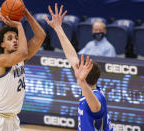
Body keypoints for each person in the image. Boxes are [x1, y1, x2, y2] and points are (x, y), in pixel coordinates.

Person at [45, 3, 113, 131]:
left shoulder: (95, 97)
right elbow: (71, 55)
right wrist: (58, 28)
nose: (75, 68)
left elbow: (96, 107)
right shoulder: (91, 89)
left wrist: (81, 82)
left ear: (84, 76)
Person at [0, 6, 46, 131]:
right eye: (10, 39)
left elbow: (40, 36)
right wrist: (19, 26)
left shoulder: (20, 59)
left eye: (16, 38)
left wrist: (26, 14)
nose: (15, 40)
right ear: (2, 44)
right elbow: (22, 53)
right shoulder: (0, 60)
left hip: (13, 120)